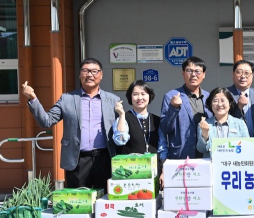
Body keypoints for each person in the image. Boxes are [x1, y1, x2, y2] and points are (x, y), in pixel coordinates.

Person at [21, 58, 119, 189]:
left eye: (94, 71)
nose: (89, 74)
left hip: (105, 159)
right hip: (77, 160)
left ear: (101, 75)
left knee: (105, 202)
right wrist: (33, 98)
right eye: (85, 71)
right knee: (78, 204)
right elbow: (46, 121)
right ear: (79, 75)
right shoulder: (67, 99)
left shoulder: (113, 100)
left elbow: (121, 130)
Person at [158, 56, 212, 164]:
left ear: (204, 74)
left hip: (206, 155)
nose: (193, 75)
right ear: (183, 73)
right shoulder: (171, 96)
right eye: (189, 71)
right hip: (181, 155)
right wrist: (174, 108)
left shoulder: (209, 98)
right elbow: (165, 128)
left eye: (197, 71)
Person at [197, 88, 249, 157]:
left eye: (223, 100)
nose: (219, 104)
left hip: (234, 164)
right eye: (215, 101)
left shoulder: (240, 124)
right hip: (212, 165)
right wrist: (205, 134)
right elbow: (201, 150)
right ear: (211, 104)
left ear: (230, 104)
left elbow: (247, 148)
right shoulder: (204, 124)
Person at [113, 80, 160, 156]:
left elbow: (162, 147)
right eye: (135, 94)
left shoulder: (157, 120)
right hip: (130, 166)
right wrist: (121, 115)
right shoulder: (124, 118)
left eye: (143, 94)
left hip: (153, 165)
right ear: (130, 97)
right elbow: (120, 141)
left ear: (149, 96)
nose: (140, 98)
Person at [227, 59, 254, 137]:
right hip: (234, 142)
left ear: (252, 76)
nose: (243, 76)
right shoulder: (225, 94)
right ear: (233, 74)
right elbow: (222, 120)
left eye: (247, 73)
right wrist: (239, 107)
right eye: (239, 72)